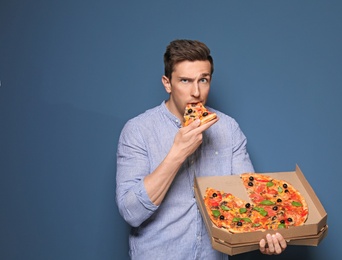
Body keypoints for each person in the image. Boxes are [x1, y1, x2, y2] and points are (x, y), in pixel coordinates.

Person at [116, 39, 287, 259]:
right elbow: (132, 212)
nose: (196, 92)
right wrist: (177, 153)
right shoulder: (137, 130)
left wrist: (265, 234)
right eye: (185, 81)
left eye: (203, 80)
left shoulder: (228, 128)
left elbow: (251, 198)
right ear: (167, 83)